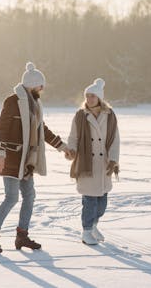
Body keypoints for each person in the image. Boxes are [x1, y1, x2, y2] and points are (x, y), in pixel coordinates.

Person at [0, 62, 70, 253]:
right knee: (11, 198)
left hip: (28, 160)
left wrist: (61, 147)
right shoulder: (13, 101)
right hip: (12, 157)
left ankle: (22, 235)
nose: (43, 89)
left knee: (29, 196)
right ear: (33, 84)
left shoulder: (35, 104)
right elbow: (1, 129)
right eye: (41, 85)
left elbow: (42, 130)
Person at [65, 78, 120, 245]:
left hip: (104, 164)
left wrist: (113, 159)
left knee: (102, 202)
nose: (89, 99)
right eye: (87, 96)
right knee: (89, 200)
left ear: (99, 98)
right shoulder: (80, 115)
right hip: (86, 163)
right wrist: (71, 150)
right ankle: (86, 231)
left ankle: (94, 225)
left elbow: (115, 139)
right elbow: (73, 136)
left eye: (92, 96)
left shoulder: (110, 115)